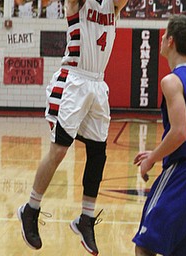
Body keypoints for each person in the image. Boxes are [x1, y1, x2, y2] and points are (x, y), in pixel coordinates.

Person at [17, 0, 128, 255]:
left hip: (97, 85)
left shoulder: (113, 5)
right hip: (73, 81)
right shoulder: (78, 4)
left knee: (98, 154)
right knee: (59, 150)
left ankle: (85, 220)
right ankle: (30, 209)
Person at [132, 15, 186, 256]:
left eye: (164, 35)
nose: (161, 39)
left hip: (185, 171)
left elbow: (180, 132)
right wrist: (156, 151)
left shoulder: (172, 81)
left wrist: (152, 159)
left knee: (145, 245)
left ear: (170, 41)